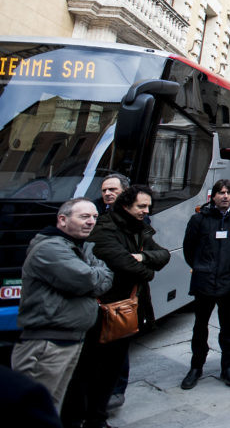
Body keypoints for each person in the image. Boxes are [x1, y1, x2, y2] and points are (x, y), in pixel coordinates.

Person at [65, 185, 170, 428]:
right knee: (86, 369)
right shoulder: (104, 228)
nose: (146, 211)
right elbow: (121, 262)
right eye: (141, 207)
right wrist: (146, 271)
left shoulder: (140, 228)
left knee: (111, 369)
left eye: (147, 206)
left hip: (126, 310)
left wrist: (143, 257)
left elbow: (163, 255)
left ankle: (97, 418)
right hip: (100, 311)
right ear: (126, 206)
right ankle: (75, 417)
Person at [11, 199, 112, 414]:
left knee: (51, 408)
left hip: (67, 340)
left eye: (94, 217)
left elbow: (99, 274)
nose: (91, 222)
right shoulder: (50, 249)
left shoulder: (77, 245)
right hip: (47, 345)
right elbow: (91, 281)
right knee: (35, 411)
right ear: (63, 220)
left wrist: (97, 271)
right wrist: (98, 271)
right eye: (84, 217)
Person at [180, 179, 230, 389]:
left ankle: (228, 366)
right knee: (200, 326)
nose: (225, 196)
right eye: (221, 192)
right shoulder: (199, 218)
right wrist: (202, 266)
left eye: (229, 192)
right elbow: (189, 248)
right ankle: (196, 366)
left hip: (229, 280)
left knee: (227, 325)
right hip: (204, 281)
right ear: (213, 196)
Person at [93, 172, 132, 411]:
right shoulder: (93, 213)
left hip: (120, 289)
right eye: (104, 189)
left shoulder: (134, 218)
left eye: (113, 190)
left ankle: (116, 389)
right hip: (96, 288)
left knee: (119, 341)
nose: (107, 193)